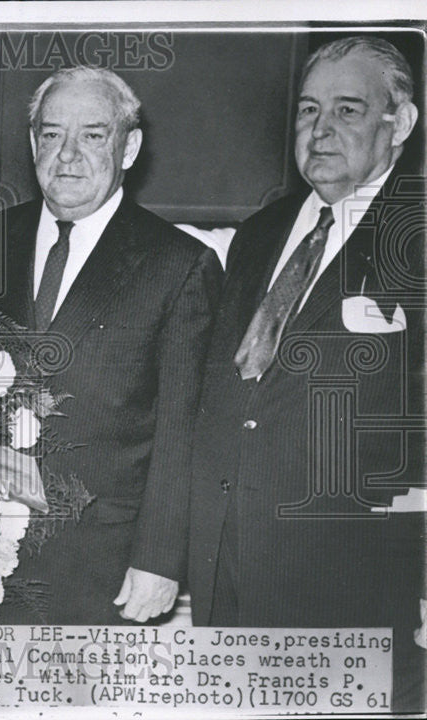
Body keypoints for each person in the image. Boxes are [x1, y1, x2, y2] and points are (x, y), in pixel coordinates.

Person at [188, 36, 424, 711]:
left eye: (348, 110)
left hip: (355, 581)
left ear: (398, 123)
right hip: (225, 569)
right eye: (307, 110)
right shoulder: (261, 232)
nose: (320, 131)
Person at [0, 66, 222, 624]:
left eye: (92, 135)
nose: (67, 155)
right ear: (32, 143)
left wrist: (160, 560)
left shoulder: (179, 265)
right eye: (51, 134)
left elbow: (182, 430)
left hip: (102, 565)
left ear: (129, 146)